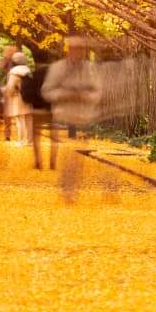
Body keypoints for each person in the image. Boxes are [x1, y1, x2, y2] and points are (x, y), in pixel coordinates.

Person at [44, 38, 103, 200]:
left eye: (81, 49)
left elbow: (97, 92)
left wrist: (85, 96)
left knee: (78, 155)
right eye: (74, 48)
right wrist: (66, 94)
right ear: (68, 50)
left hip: (83, 116)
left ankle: (72, 185)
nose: (78, 52)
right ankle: (67, 185)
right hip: (64, 116)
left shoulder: (90, 69)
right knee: (67, 153)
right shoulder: (57, 68)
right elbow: (47, 91)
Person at [20, 59, 51, 169]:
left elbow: (27, 93)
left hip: (37, 108)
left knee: (36, 136)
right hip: (51, 108)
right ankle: (52, 162)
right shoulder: (53, 76)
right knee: (54, 136)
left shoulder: (33, 76)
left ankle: (38, 161)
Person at [3, 60, 31, 145]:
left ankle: (21, 141)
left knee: (20, 119)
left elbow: (10, 88)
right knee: (29, 119)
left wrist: (8, 94)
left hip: (18, 98)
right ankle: (29, 141)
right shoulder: (28, 71)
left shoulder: (14, 73)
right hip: (28, 97)